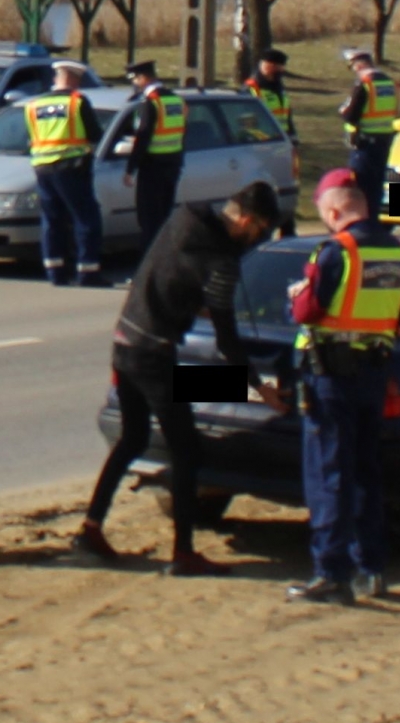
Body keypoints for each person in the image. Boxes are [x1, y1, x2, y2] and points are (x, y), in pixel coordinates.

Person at [71, 181, 282, 575]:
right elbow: (226, 338)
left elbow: (171, 279)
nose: (257, 240)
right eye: (260, 231)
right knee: (186, 450)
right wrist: (261, 389)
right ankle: (183, 553)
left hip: (125, 341)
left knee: (133, 438)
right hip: (154, 354)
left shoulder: (182, 219)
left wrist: (189, 305)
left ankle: (91, 527)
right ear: (248, 220)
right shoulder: (221, 262)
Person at [283, 182, 400, 604]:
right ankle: (371, 568)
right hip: (374, 372)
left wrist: (296, 297)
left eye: (325, 214)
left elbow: (307, 311)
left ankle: (331, 574)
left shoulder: (337, 251)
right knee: (364, 472)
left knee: (330, 475)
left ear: (336, 212)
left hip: (331, 376)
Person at [26, 62, 107, 287]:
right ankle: (87, 272)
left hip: (42, 168)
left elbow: (32, 138)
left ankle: (55, 272)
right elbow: (95, 134)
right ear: (74, 79)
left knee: (52, 220)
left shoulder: (34, 104)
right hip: (71, 167)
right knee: (86, 218)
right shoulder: (77, 102)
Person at [122, 61, 188, 251]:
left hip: (152, 169)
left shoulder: (150, 102)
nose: (135, 83)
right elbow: (183, 132)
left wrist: (130, 169)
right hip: (173, 165)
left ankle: (147, 268)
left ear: (143, 78)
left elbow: (142, 138)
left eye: (135, 79)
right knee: (164, 218)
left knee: (148, 221)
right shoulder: (176, 100)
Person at [338, 48, 400, 218]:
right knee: (377, 184)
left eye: (353, 67)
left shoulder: (365, 85)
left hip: (365, 143)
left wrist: (342, 110)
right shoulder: (389, 83)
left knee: (362, 186)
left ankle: (363, 221)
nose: (354, 71)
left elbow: (350, 114)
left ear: (359, 65)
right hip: (384, 140)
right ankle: (374, 220)